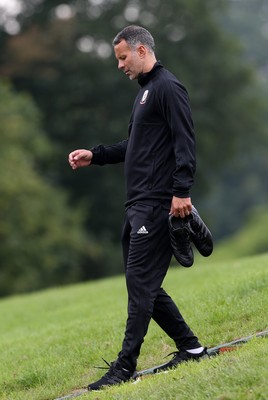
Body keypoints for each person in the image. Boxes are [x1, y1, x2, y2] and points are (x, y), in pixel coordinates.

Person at [68, 25, 207, 391]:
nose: (120, 65)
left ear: (142, 50)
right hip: (137, 205)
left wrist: (182, 192)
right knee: (140, 283)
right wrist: (94, 155)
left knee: (141, 285)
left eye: (123, 57)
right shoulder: (146, 93)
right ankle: (191, 348)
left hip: (157, 203)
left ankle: (124, 367)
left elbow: (185, 140)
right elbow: (136, 146)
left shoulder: (167, 87)